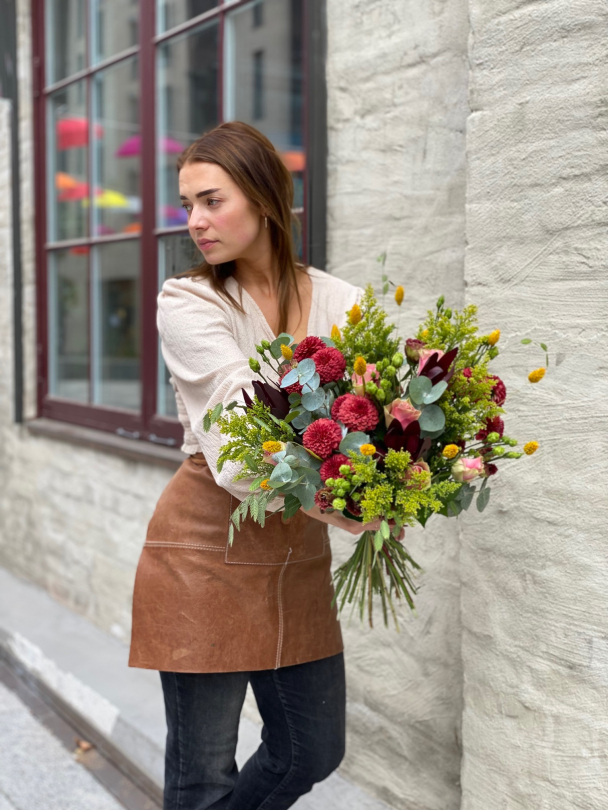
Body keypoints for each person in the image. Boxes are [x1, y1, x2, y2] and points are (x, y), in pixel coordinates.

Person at [128, 121, 403, 810]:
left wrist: (388, 486)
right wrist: (336, 497)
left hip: (295, 554)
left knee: (311, 749)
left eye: (212, 200)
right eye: (187, 204)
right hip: (205, 547)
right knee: (203, 778)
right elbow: (236, 436)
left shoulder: (343, 302)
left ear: (264, 198)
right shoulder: (189, 300)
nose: (195, 221)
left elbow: (373, 408)